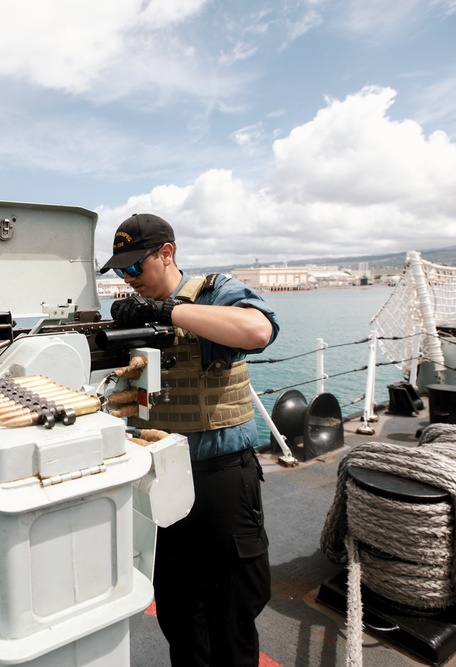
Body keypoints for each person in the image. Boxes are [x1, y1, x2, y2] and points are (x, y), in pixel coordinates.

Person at [100, 213, 279, 667]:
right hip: (160, 479)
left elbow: (258, 331)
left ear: (167, 253)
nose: (128, 278)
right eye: (120, 271)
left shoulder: (216, 293)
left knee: (232, 611)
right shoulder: (133, 311)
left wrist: (166, 311)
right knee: (179, 613)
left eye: (134, 267)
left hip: (222, 478)